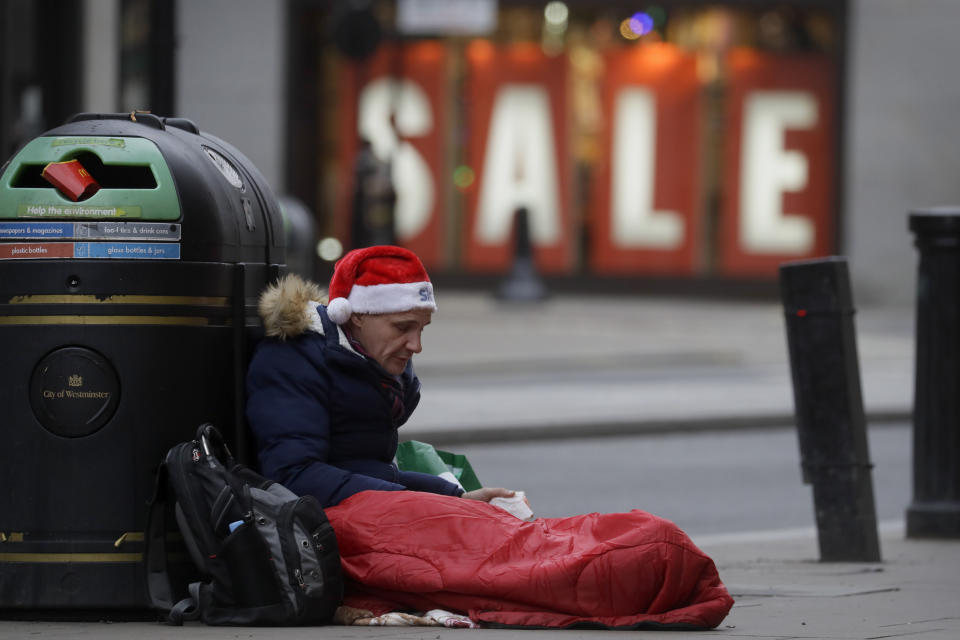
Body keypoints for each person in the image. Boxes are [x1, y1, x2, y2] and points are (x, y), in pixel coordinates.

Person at [245, 244, 517, 509]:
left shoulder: (369, 364)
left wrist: (455, 499)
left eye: (421, 329)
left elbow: (368, 472)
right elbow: (295, 476)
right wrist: (418, 505)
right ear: (357, 316)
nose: (416, 346)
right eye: (403, 328)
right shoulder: (294, 359)